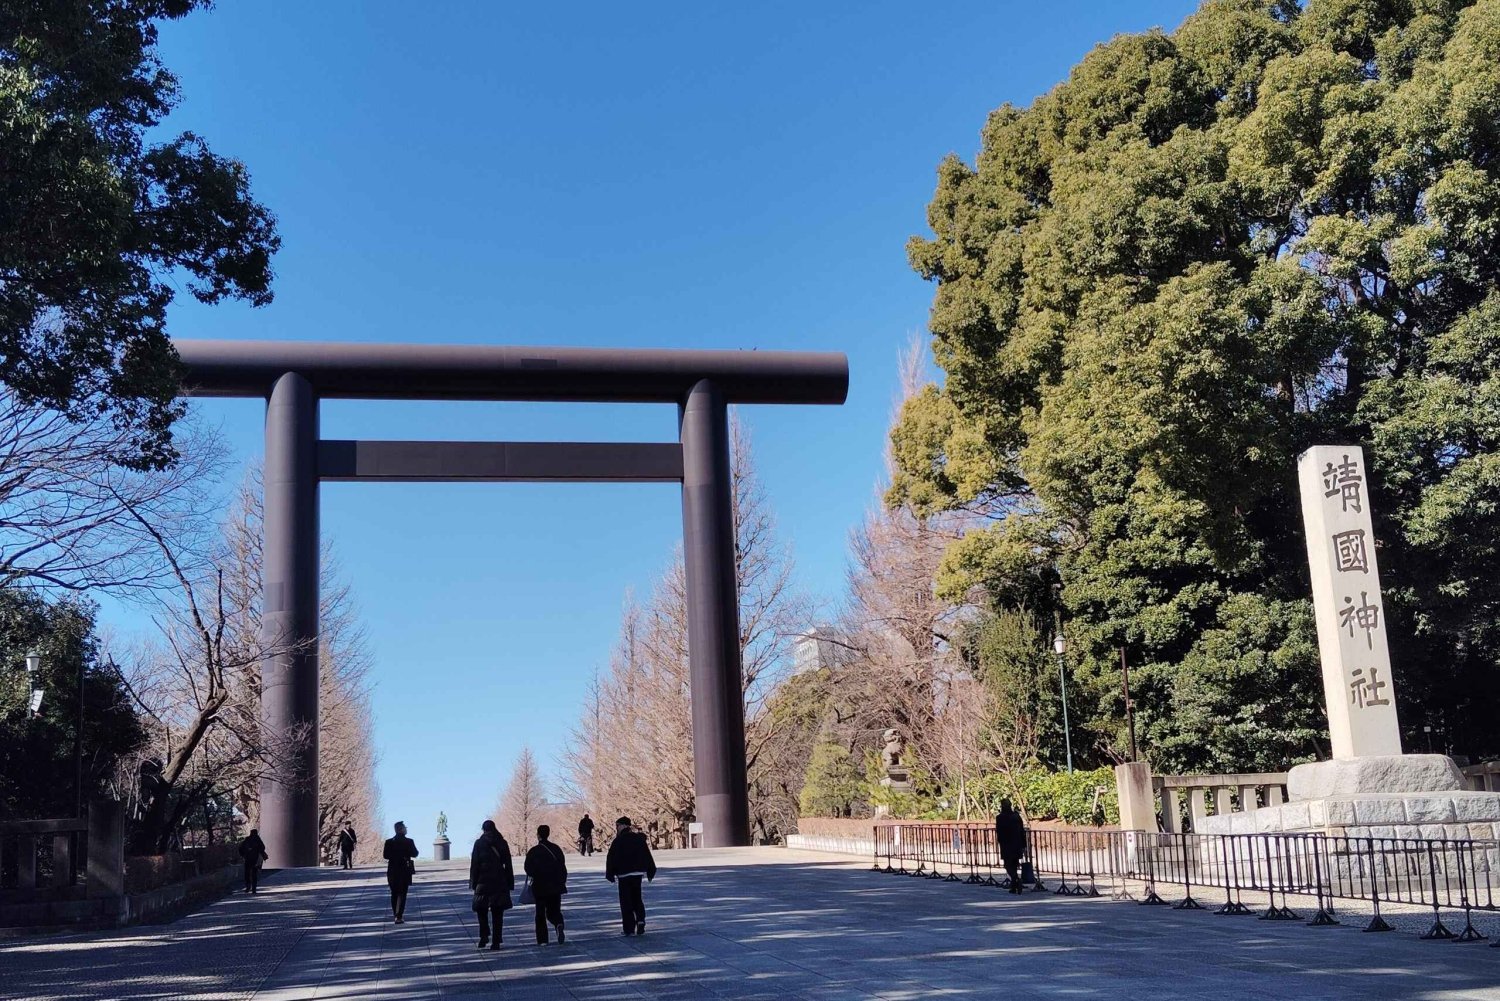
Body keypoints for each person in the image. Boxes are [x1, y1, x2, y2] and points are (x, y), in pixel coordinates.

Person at [605, 816, 657, 935]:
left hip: (623, 874)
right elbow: (647, 854)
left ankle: (629, 928)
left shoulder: (618, 841)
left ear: (623, 826)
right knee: (637, 898)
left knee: (626, 901)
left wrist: (610, 874)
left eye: (617, 826)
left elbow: (611, 858)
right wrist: (650, 870)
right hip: (637, 873)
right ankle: (640, 920)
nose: (616, 828)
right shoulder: (638, 839)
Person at [469, 820, 514, 950]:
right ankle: (496, 941)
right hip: (499, 881)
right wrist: (509, 883)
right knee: (497, 913)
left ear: (483, 829)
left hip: (482, 882)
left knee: (481, 910)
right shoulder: (502, 843)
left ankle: (484, 936)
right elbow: (508, 864)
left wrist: (473, 882)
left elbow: (475, 864)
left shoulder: (479, 844)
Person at [523, 824, 567, 945]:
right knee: (554, 910)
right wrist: (562, 881)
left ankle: (543, 940)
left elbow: (528, 868)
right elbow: (562, 867)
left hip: (540, 886)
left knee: (540, 913)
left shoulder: (534, 851)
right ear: (548, 834)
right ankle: (558, 923)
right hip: (555, 885)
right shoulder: (556, 849)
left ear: (538, 835)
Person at [383, 820, 419, 922]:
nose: (406, 829)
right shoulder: (409, 841)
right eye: (405, 828)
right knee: (403, 893)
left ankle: (395, 913)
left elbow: (385, 855)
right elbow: (415, 853)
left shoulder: (389, 842)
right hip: (404, 869)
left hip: (392, 869)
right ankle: (399, 916)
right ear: (401, 829)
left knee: (394, 892)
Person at [995, 798, 1027, 894]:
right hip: (1017, 844)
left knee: (1008, 865)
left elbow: (999, 832)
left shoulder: (1000, 817)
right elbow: (1022, 830)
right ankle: (1014, 885)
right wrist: (1024, 843)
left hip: (1006, 844)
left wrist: (1000, 841)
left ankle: (1015, 879)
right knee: (1014, 863)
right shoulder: (1016, 816)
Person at [238, 828, 268, 894]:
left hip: (247, 859)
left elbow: (240, 848)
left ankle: (248, 886)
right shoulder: (258, 839)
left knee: (247, 873)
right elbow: (263, 847)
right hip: (255, 859)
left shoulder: (247, 839)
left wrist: (243, 855)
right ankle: (254, 889)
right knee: (254, 874)